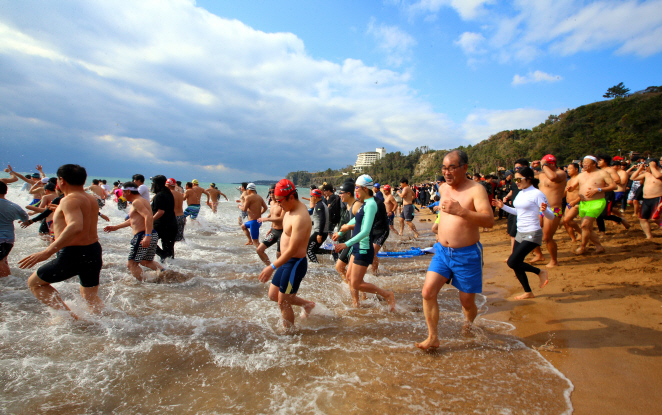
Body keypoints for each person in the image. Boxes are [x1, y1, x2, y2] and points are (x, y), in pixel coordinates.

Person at [415, 150, 494, 350]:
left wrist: (462, 211)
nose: (447, 172)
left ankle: (469, 324)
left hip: (467, 253)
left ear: (465, 168)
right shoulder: (442, 188)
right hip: (442, 251)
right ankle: (433, 337)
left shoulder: (476, 190)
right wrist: (438, 226)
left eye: (452, 168)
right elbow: (444, 213)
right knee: (427, 292)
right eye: (444, 168)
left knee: (466, 302)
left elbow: (489, 220)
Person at [18, 164, 104, 319]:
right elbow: (81, 218)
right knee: (90, 297)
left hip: (74, 253)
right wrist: (59, 209)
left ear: (61, 180)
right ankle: (106, 322)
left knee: (35, 283)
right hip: (93, 250)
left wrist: (46, 252)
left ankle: (72, 319)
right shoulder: (89, 198)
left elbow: (76, 226)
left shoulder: (69, 200)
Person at [258, 179, 315, 329]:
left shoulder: (301, 217)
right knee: (273, 295)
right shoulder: (288, 208)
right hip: (285, 262)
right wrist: (271, 227)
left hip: (294, 263)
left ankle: (289, 335)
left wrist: (271, 266)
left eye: (279, 201)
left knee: (283, 302)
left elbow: (293, 250)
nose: (278, 204)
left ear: (291, 197)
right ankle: (307, 305)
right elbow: (284, 225)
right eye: (276, 201)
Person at [333, 175, 395, 311]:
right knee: (349, 277)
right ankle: (356, 305)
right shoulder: (366, 203)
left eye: (356, 187)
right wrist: (341, 231)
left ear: (365, 188)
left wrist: (346, 243)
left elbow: (366, 230)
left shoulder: (372, 204)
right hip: (357, 247)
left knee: (356, 283)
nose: (355, 190)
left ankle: (387, 294)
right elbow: (357, 220)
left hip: (364, 248)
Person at [493, 167, 553, 299]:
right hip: (521, 232)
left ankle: (540, 272)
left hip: (533, 232)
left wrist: (545, 211)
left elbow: (551, 216)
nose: (516, 182)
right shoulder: (521, 193)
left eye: (519, 179)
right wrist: (503, 207)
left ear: (529, 179)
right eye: (515, 179)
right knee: (516, 263)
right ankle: (528, 292)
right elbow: (518, 212)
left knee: (512, 261)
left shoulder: (537, 194)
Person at [104, 182, 163, 281]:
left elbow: (148, 216)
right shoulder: (143, 200)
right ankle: (166, 274)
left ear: (128, 191)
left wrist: (147, 236)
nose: (122, 195)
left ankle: (144, 285)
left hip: (143, 235)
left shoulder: (136, 202)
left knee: (131, 264)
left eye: (123, 192)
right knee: (146, 261)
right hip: (152, 234)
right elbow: (134, 220)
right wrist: (116, 227)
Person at [567, 156, 616, 254]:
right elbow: (574, 187)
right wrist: (570, 188)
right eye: (583, 162)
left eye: (587, 162)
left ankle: (582, 247)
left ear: (594, 164)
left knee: (584, 225)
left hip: (597, 202)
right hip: (584, 203)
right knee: (587, 228)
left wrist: (598, 189)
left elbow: (614, 186)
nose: (584, 164)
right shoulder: (581, 175)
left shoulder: (602, 173)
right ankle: (599, 247)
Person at [537, 154, 567, 268]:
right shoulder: (542, 175)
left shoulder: (561, 173)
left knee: (547, 237)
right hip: (541, 208)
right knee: (533, 232)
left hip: (554, 209)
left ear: (551, 164)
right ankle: (539, 254)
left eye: (545, 164)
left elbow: (553, 177)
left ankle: (554, 260)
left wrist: (544, 165)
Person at [0, 181, 30, 277]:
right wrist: (23, 221)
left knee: (0, 261)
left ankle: (8, 283)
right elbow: (25, 217)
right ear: (6, 192)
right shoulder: (14, 206)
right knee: (3, 259)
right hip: (9, 239)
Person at [334, 181, 361, 282]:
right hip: (349, 241)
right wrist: (340, 233)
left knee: (350, 273)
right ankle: (350, 287)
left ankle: (361, 295)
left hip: (356, 242)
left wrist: (348, 228)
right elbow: (348, 224)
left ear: (349, 193)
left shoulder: (356, 206)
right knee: (340, 268)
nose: (340, 195)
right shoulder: (348, 206)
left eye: (341, 193)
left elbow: (364, 226)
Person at [630, 159, 662, 239]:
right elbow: (633, 178)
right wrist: (639, 169)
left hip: (657, 198)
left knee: (654, 218)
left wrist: (652, 166)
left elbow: (658, 176)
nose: (645, 168)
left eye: (646, 166)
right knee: (642, 218)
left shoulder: (660, 172)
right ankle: (649, 236)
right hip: (646, 199)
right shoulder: (646, 174)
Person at [256, 185, 285, 265]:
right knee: (259, 250)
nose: (271, 194)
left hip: (282, 232)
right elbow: (273, 215)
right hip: (274, 231)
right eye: (270, 192)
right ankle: (270, 267)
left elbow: (281, 218)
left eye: (273, 192)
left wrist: (266, 219)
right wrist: (271, 228)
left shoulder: (282, 204)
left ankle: (281, 272)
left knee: (279, 256)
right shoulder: (271, 203)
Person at [150, 175, 178, 261]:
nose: (152, 185)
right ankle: (170, 269)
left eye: (153, 183)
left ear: (156, 184)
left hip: (161, 225)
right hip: (171, 224)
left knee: (147, 240)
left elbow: (161, 211)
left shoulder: (160, 195)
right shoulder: (169, 193)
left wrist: (149, 220)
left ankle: (162, 255)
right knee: (169, 249)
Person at [307, 188, 330, 263]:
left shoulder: (319, 206)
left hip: (320, 232)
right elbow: (319, 219)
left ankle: (317, 266)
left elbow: (322, 220)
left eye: (311, 196)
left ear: (315, 197)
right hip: (322, 231)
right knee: (314, 250)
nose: (310, 198)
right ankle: (332, 252)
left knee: (309, 250)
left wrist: (319, 234)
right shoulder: (321, 204)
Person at [563, 163, 582, 242]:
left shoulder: (580, 179)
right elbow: (564, 194)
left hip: (576, 203)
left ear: (576, 169)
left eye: (570, 168)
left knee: (567, 219)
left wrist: (575, 201)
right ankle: (573, 238)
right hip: (569, 204)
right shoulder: (569, 180)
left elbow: (583, 193)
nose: (568, 170)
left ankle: (580, 232)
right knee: (565, 222)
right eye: (568, 169)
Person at [166, 178, 186, 243]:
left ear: (168, 185)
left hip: (173, 218)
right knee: (178, 239)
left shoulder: (168, 193)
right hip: (181, 217)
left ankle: (169, 252)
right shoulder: (180, 194)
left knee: (169, 239)